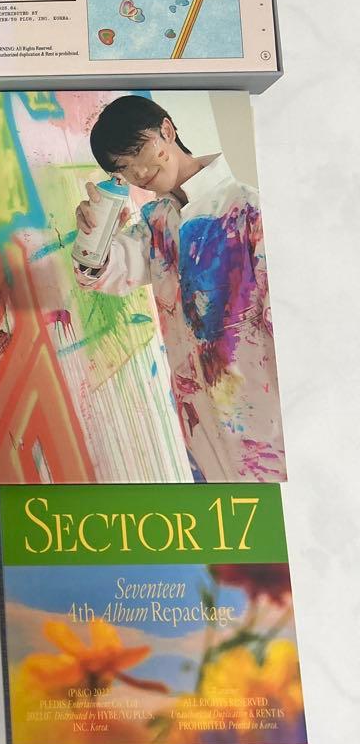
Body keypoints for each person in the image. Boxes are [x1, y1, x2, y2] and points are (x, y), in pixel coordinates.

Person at [73, 95, 285, 482]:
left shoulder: (251, 210)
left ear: (167, 131)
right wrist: (94, 235)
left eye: (138, 151)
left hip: (264, 418)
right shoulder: (156, 223)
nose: (138, 172)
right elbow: (102, 272)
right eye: (123, 166)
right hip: (200, 424)